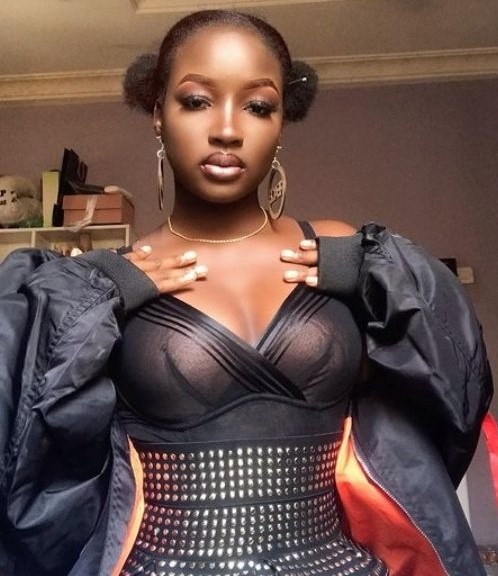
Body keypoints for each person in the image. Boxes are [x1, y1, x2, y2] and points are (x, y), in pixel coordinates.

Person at [0, 9, 493, 576]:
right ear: (157, 113)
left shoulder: (341, 249)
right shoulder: (110, 280)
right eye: (196, 101)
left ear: (281, 123)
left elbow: (456, 384)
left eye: (258, 106)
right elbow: (27, 447)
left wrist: (388, 282)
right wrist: (86, 307)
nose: (228, 129)